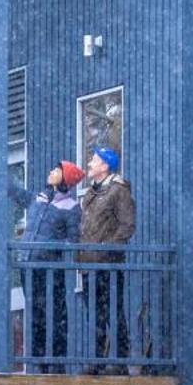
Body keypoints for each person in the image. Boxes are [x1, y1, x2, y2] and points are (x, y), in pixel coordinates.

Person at [0, 155, 83, 369]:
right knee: (36, 315)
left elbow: (73, 241)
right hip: (29, 267)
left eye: (56, 170)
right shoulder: (40, 198)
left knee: (54, 315)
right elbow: (14, 192)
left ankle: (56, 365)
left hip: (50, 270)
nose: (51, 172)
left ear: (65, 178)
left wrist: (49, 246)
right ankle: (40, 363)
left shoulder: (71, 207)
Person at [77, 146, 134, 369]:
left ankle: (120, 361)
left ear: (105, 166)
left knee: (113, 311)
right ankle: (98, 361)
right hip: (89, 264)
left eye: (94, 160)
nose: (90, 163)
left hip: (108, 264)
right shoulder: (91, 192)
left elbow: (127, 226)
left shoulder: (118, 191)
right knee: (96, 315)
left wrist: (106, 248)